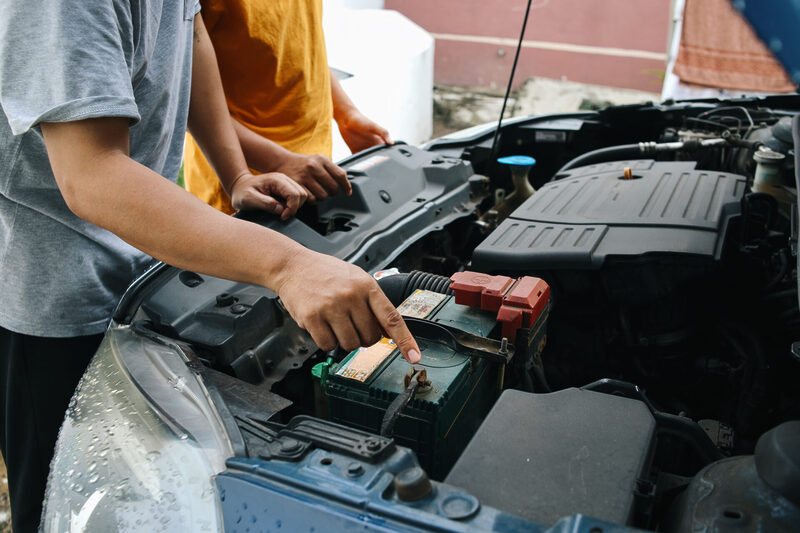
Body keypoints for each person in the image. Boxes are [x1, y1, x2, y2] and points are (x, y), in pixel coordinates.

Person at [0, 2, 419, 532]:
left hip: (143, 268)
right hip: (59, 300)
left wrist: (237, 171)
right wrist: (289, 266)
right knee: (67, 507)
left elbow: (189, 30)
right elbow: (91, 174)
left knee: (145, 495)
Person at [184, 0, 392, 213]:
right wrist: (276, 163)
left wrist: (345, 112)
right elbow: (185, 91)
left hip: (313, 173)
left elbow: (301, 39)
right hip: (250, 189)